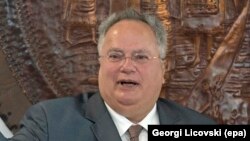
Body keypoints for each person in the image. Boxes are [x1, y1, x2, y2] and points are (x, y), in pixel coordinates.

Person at [0, 8, 216, 141]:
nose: (127, 66)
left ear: (163, 70)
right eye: (115, 56)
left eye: (141, 57)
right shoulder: (50, 123)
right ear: (100, 64)